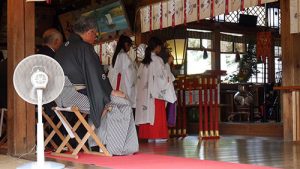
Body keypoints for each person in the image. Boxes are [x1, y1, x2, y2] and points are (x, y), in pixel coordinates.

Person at [54, 16, 138, 155]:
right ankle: (114, 146)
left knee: (102, 101)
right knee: (117, 103)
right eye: (95, 33)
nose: (95, 37)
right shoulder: (84, 48)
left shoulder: (62, 48)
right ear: (89, 32)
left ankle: (95, 143)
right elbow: (96, 75)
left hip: (61, 98)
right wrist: (110, 92)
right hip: (77, 97)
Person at [135, 37, 177, 142]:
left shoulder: (144, 62)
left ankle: (149, 136)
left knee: (147, 113)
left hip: (145, 95)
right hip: (155, 94)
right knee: (156, 114)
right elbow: (163, 77)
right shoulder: (158, 60)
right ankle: (158, 135)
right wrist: (168, 64)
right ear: (157, 47)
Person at [108, 35, 137, 108]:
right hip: (122, 88)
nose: (129, 48)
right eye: (129, 46)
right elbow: (130, 74)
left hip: (114, 87)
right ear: (125, 44)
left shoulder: (116, 56)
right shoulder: (124, 56)